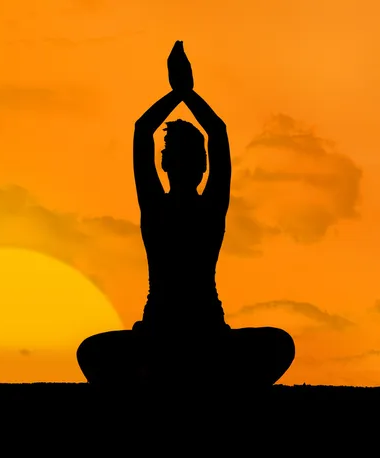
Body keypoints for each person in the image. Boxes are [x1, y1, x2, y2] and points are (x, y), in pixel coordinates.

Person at [76, 41, 295, 390]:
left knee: (279, 342)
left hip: (208, 333)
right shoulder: (155, 204)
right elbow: (143, 131)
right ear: (163, 163)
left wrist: (184, 93)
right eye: (172, 153)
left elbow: (215, 133)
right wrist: (181, 92)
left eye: (186, 154)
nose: (177, 160)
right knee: (91, 350)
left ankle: (167, 377)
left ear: (203, 164)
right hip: (158, 333)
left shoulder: (209, 206)